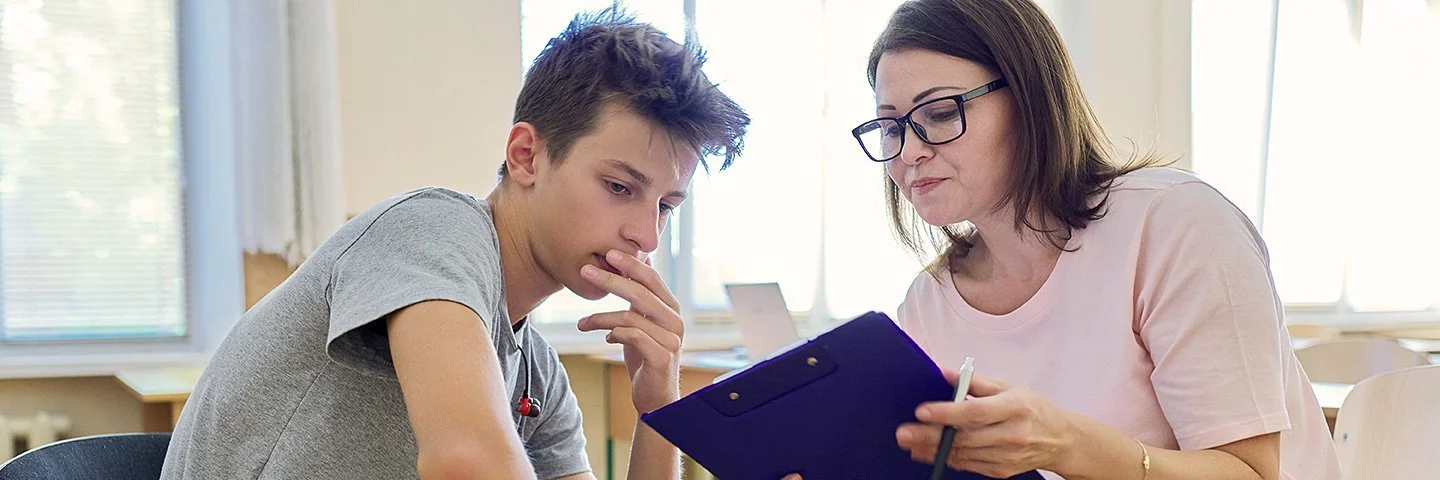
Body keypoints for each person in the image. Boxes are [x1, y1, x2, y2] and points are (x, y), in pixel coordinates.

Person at [160, 8, 748, 479]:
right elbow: (466, 463)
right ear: (526, 156)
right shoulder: (432, 229)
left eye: (666, 207)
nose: (645, 234)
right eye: (619, 187)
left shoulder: (535, 375)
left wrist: (658, 411)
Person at [847, 0, 1341, 479]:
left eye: (939, 113)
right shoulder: (927, 305)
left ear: (1031, 101)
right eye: (890, 127)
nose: (908, 152)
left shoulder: (1174, 224)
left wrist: (1066, 445)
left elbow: (1249, 473)